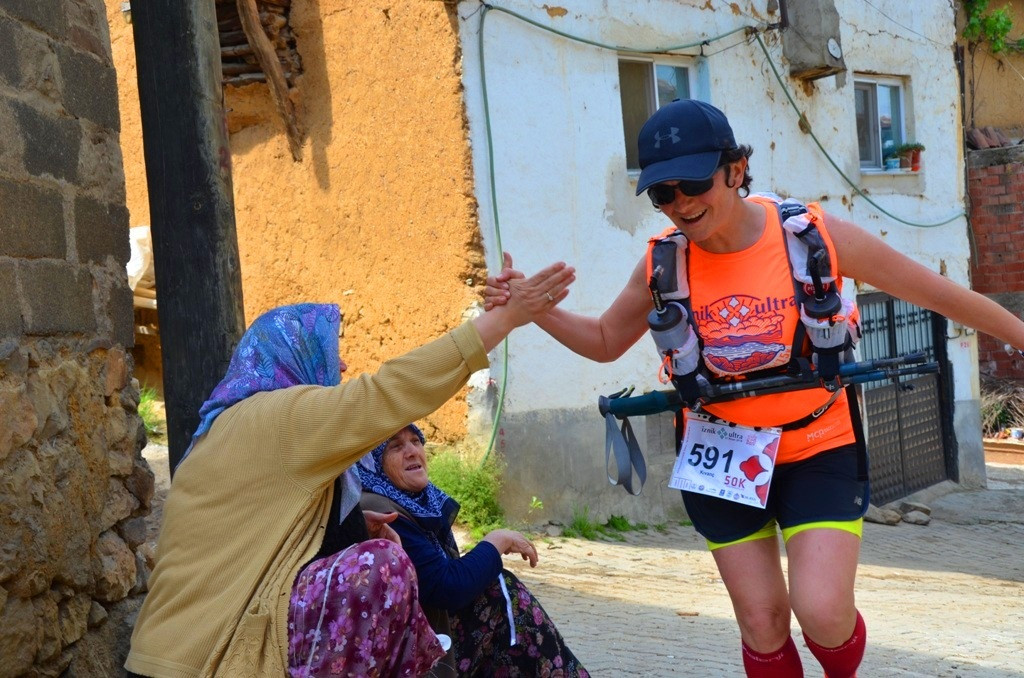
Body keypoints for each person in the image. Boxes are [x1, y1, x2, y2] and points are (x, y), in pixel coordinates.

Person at [484, 98, 1024, 677]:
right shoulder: (663, 265)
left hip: (817, 444)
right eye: (663, 194)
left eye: (693, 183)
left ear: (734, 171)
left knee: (821, 611)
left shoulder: (811, 238)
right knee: (762, 621)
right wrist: (529, 311)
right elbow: (604, 339)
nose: (681, 204)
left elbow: (936, 294)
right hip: (722, 453)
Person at [124, 258, 574, 678]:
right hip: (210, 661)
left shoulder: (223, 431)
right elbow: (388, 392)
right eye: (323, 348)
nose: (338, 364)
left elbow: (257, 547)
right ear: (291, 354)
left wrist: (346, 529)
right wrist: (503, 320)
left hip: (161, 659)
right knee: (381, 567)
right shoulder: (281, 417)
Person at [357, 423, 590, 678]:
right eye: (395, 446)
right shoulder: (382, 511)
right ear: (373, 463)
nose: (412, 451)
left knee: (500, 598)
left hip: (420, 636)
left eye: (416, 440)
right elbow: (447, 587)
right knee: (503, 596)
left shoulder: (410, 500)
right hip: (407, 655)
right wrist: (496, 542)